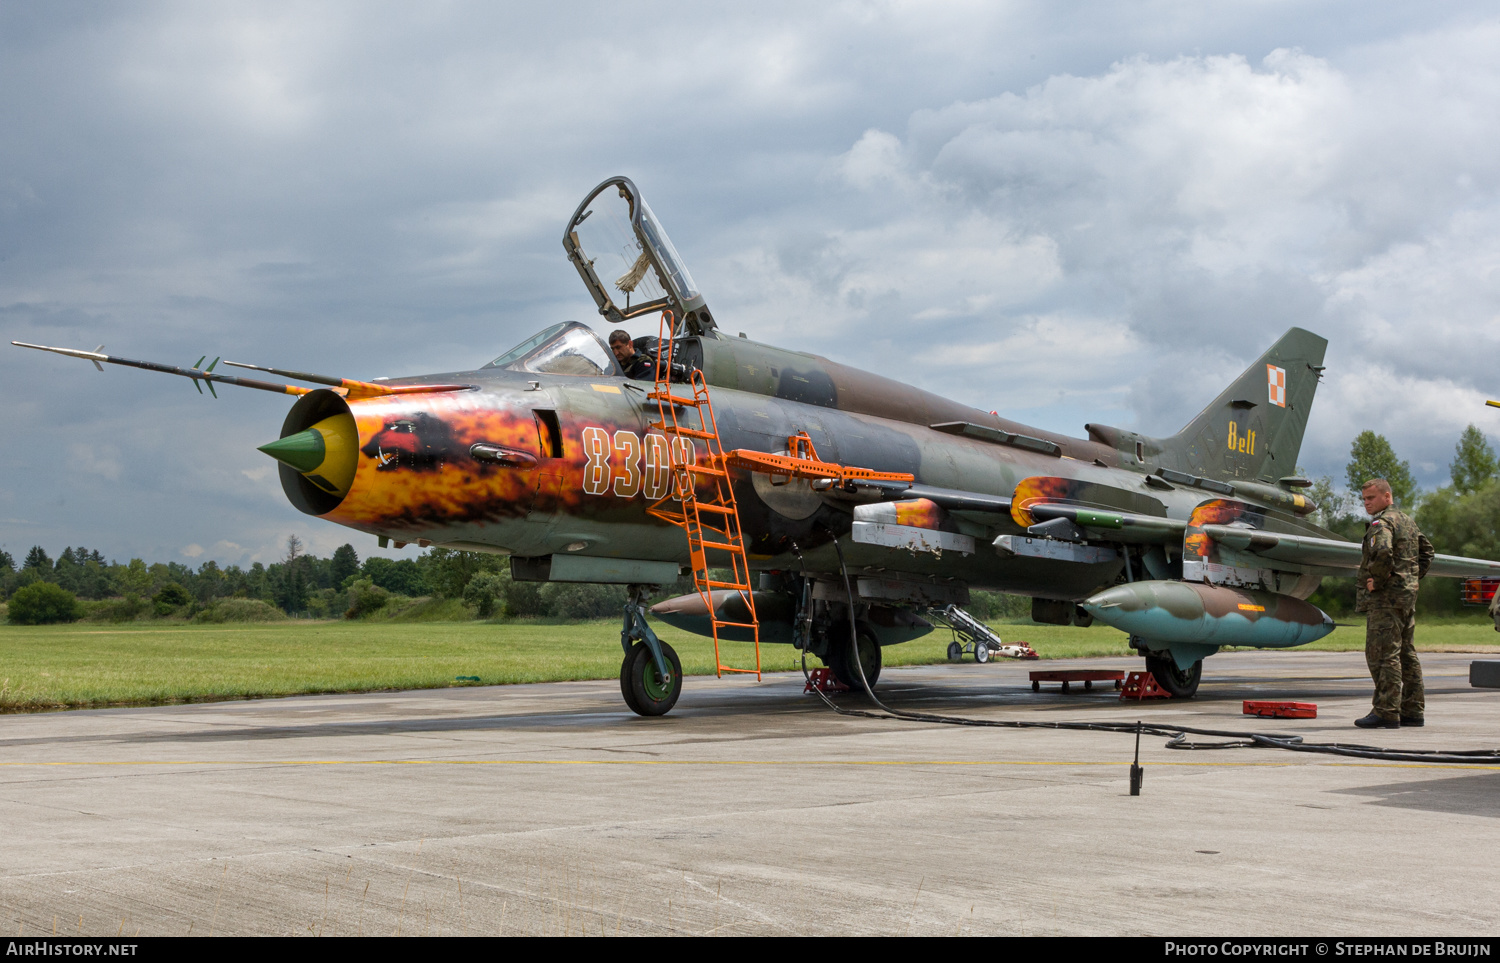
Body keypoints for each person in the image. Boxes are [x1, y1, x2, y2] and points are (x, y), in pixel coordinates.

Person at [1354, 478, 1434, 729]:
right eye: (1364, 499)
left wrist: (1377, 581)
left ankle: (1386, 711)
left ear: (1387, 497)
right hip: (1406, 597)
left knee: (1382, 654)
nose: (1367, 503)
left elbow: (1384, 552)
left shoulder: (1382, 522)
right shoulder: (1407, 521)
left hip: (1386, 600)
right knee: (1406, 653)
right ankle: (1412, 710)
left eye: (1372, 498)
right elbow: (1427, 552)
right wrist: (1409, 578)